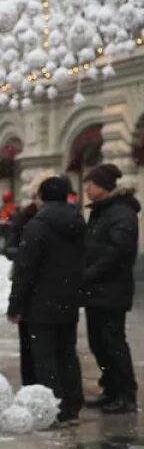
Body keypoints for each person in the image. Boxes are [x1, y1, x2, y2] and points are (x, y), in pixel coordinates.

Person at [7, 176, 85, 424]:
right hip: (68, 299)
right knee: (67, 353)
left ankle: (52, 407)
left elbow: (25, 268)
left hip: (39, 302)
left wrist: (15, 304)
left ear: (41, 197)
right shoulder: (78, 221)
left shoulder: (38, 225)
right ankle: (71, 406)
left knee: (44, 357)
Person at [81, 163, 139, 414]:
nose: (86, 188)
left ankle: (125, 394)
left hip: (111, 289)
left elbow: (117, 252)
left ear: (103, 186)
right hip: (97, 289)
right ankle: (111, 388)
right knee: (98, 343)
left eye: (90, 183)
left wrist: (90, 274)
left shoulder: (121, 213)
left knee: (113, 343)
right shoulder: (102, 211)